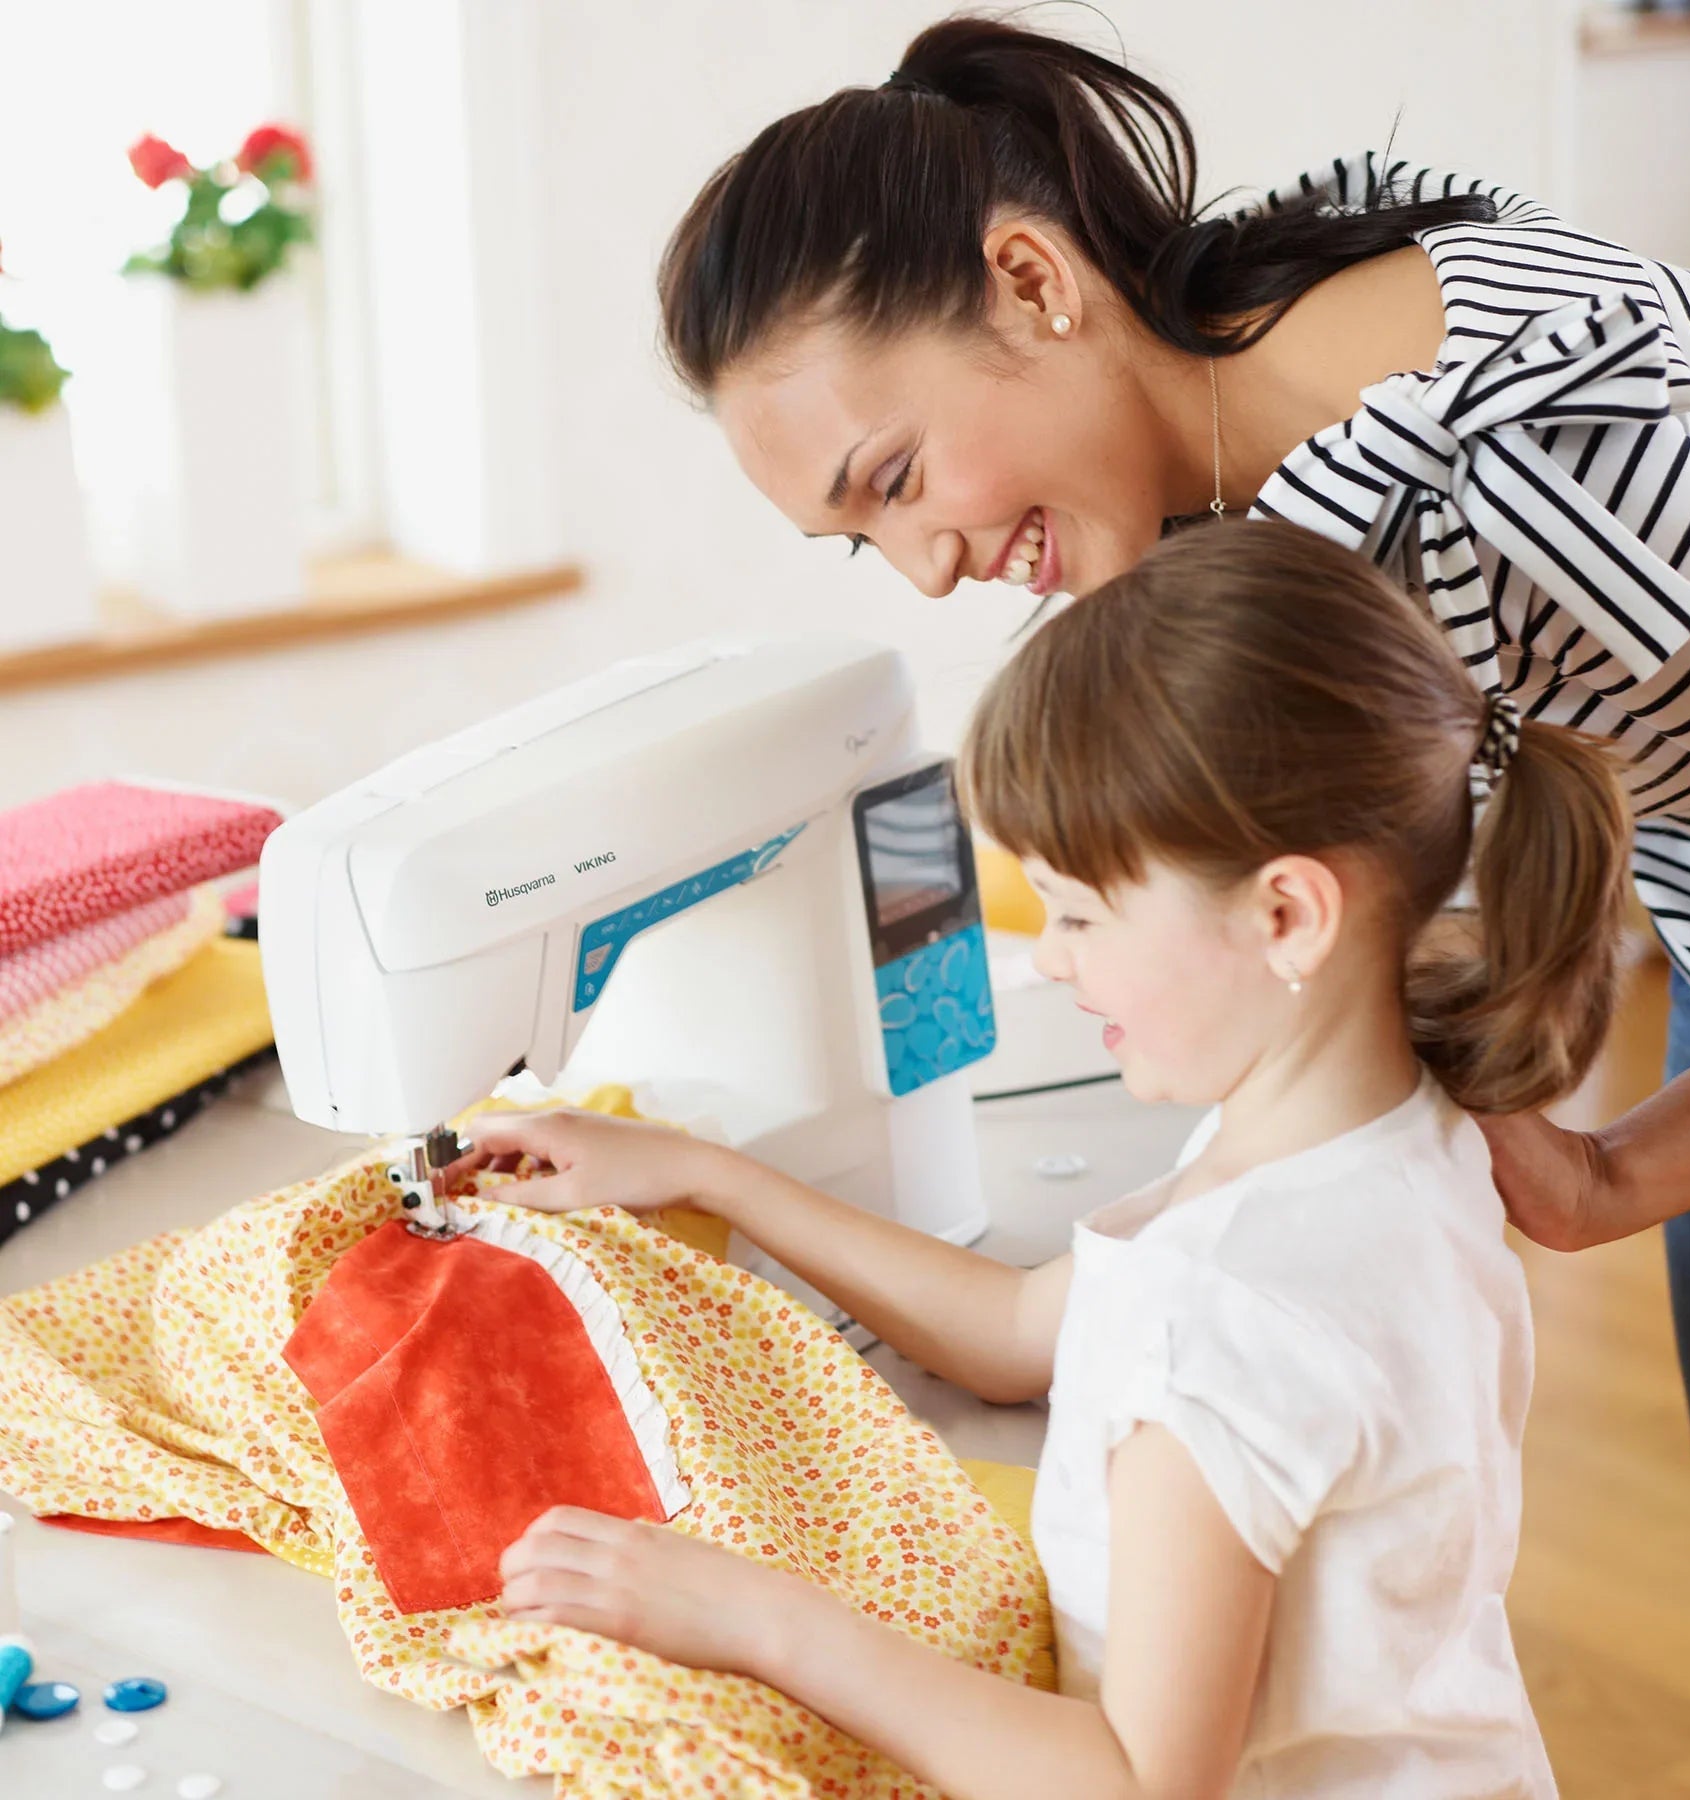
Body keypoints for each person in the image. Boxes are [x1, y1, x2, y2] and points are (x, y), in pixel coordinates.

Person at [652, 20, 1690, 1786]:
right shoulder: (1236, 401)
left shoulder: (1555, 462)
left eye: (894, 479)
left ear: (1030, 280)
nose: (928, 567)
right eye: (855, 538)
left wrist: (1628, 1170)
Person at [463, 522, 1619, 1797]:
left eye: (1079, 912)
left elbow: (1134, 1785)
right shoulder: (1399, 1143)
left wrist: (757, 1619)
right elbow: (1020, 1333)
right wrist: (706, 1178)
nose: (1054, 957)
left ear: (1284, 913)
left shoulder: (1223, 1315)